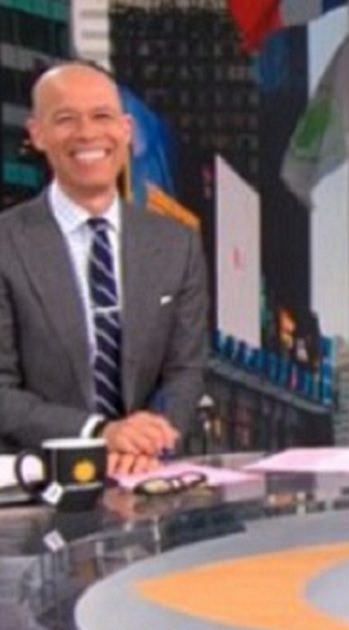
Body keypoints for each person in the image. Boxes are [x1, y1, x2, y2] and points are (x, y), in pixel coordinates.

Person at [0, 61, 208, 474]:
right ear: (37, 134)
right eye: (65, 119)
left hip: (146, 479)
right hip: (36, 485)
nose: (88, 134)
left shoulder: (176, 243)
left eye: (102, 116)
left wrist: (150, 436)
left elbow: (185, 372)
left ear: (126, 130)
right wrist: (100, 433)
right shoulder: (7, 243)